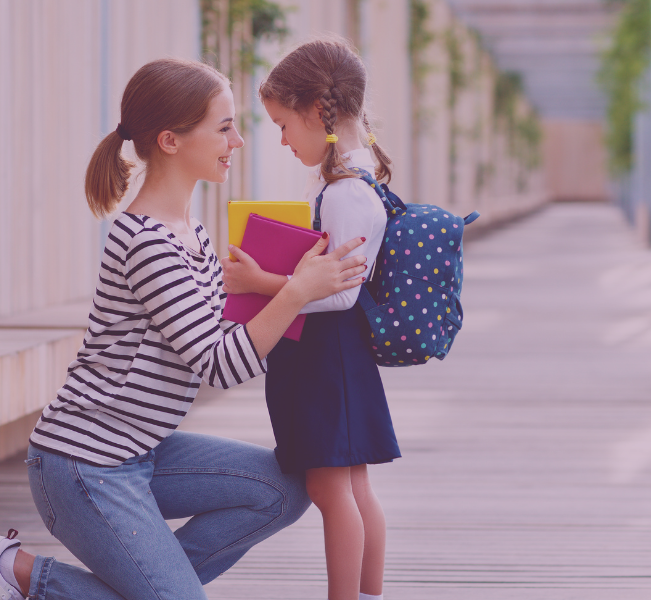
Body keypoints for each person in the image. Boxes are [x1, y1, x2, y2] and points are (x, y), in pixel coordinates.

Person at [0, 57, 370, 600]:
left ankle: (151, 586)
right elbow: (219, 364)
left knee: (285, 489)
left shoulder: (188, 230)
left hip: (144, 449)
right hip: (84, 464)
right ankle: (13, 572)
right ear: (171, 140)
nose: (237, 142)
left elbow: (228, 332)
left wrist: (283, 285)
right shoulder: (148, 243)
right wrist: (295, 292)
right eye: (223, 128)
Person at [220, 38, 400, 600]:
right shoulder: (349, 179)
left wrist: (259, 284)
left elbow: (339, 295)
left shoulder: (345, 190)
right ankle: (368, 591)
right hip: (335, 357)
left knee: (331, 492)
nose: (279, 138)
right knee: (354, 488)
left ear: (314, 111)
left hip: (326, 358)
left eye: (282, 123)